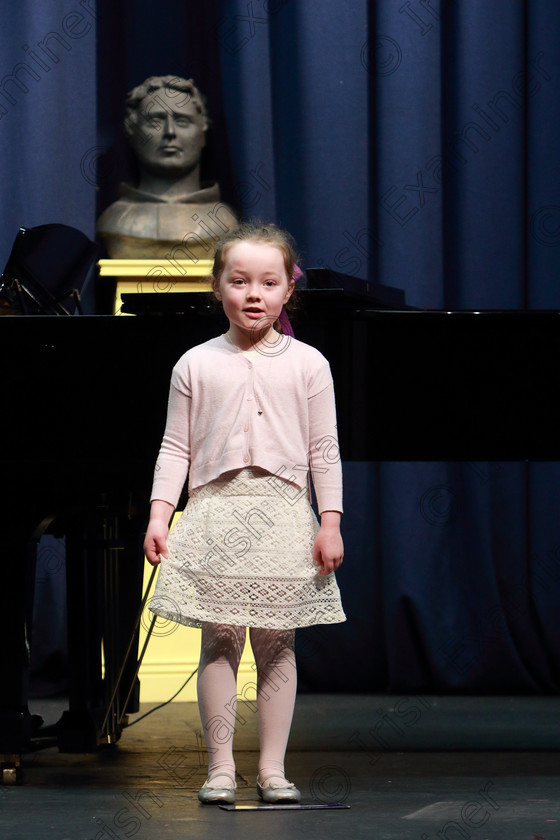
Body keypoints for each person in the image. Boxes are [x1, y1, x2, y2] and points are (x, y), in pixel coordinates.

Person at [143, 222, 345, 805]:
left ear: (287, 292)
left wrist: (329, 522)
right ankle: (221, 768)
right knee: (220, 639)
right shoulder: (195, 364)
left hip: (282, 515)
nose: (253, 294)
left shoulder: (309, 364)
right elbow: (174, 448)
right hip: (216, 514)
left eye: (268, 282)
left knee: (277, 644)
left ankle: (273, 769)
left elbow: (323, 448)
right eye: (239, 281)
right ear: (217, 288)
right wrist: (161, 515)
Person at [96, 75, 236, 258]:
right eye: (155, 122)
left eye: (182, 122)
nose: (170, 132)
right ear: (132, 132)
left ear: (203, 132)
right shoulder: (113, 221)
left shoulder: (225, 223)